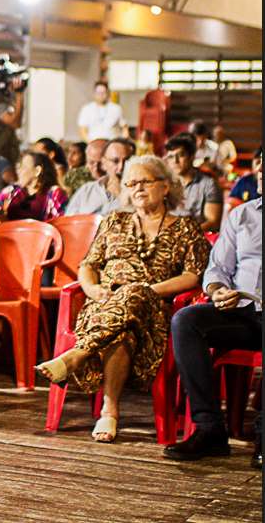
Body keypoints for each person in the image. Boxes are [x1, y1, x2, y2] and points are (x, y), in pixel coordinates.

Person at [35, 156, 210, 443]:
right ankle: (110, 409)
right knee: (122, 330)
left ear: (165, 187)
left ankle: (78, 356)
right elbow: (88, 265)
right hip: (103, 306)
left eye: (145, 181)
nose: (137, 188)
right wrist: (92, 290)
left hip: (154, 310)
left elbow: (193, 276)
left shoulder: (186, 229)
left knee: (135, 294)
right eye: (131, 183)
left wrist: (149, 290)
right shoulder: (114, 221)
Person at [166, 159, 261, 467]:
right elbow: (217, 268)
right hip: (241, 311)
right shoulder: (241, 215)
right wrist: (218, 291)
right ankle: (209, 429)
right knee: (186, 321)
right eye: (261, 167)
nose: (260, 173)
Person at [164, 133, 222, 232]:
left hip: (195, 238)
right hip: (167, 236)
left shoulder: (209, 184)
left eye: (181, 155)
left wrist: (186, 235)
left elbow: (213, 221)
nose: (175, 161)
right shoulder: (165, 184)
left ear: (192, 157)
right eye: (171, 157)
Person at [0, 151, 67, 222]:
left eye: (23, 167)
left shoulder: (54, 194)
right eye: (18, 167)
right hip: (9, 235)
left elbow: (62, 223)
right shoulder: (12, 191)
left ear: (37, 171)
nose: (18, 171)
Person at [65, 137, 135, 216]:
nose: (121, 167)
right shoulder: (86, 190)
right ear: (104, 163)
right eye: (115, 161)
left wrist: (121, 195)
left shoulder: (138, 192)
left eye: (127, 161)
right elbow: (69, 221)